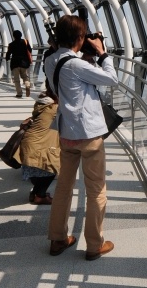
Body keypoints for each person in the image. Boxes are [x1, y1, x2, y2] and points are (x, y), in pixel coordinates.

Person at [44, 16, 118, 260]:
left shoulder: (51, 61)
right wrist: (103, 54)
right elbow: (111, 80)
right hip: (89, 135)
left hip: (67, 134)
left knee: (64, 187)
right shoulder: (77, 66)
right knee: (96, 189)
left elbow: (61, 91)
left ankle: (57, 239)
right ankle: (95, 244)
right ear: (79, 38)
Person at [19, 82, 61, 205]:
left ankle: (35, 193)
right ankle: (39, 196)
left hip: (30, 142)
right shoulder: (55, 108)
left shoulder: (43, 103)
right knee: (51, 168)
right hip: (38, 145)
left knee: (45, 168)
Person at [5, 30, 33, 99]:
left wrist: (7, 58)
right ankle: (27, 85)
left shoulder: (11, 44)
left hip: (15, 63)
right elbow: (30, 50)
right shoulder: (25, 42)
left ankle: (19, 93)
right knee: (25, 76)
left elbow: (8, 53)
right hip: (24, 62)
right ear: (21, 35)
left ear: (14, 36)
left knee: (16, 79)